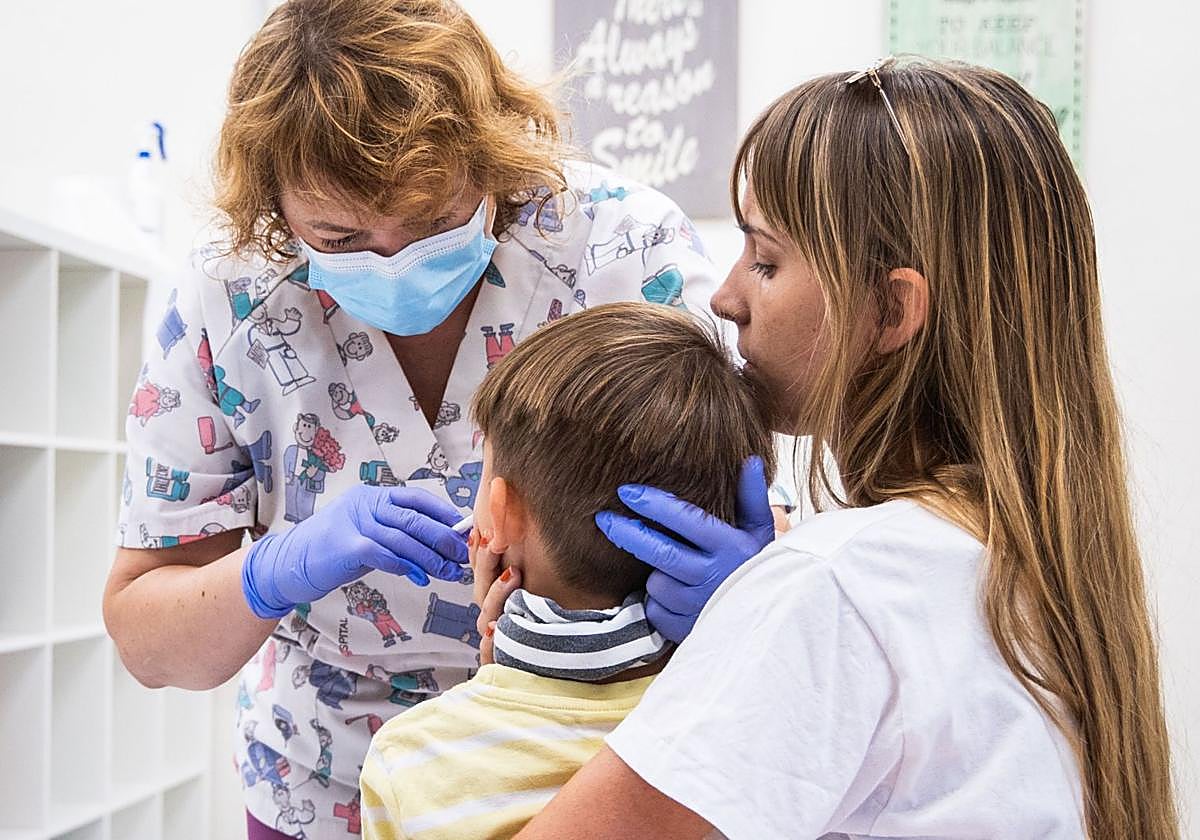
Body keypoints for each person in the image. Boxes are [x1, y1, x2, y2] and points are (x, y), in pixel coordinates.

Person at [485, 59, 1178, 838]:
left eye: (767, 260)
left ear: (890, 307)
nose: (726, 297)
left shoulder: (836, 585)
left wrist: (508, 692)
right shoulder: (1030, 564)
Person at [100, 1, 723, 836]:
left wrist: (735, 595)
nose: (395, 263)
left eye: (433, 221)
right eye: (341, 234)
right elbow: (148, 640)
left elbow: (746, 510)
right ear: (277, 211)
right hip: (327, 779)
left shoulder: (621, 249)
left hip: (593, 769)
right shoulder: (230, 296)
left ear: (491, 156)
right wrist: (273, 571)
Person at [356, 302, 776, 840]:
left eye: (483, 474)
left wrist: (501, 677)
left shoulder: (411, 758)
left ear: (499, 516)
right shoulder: (745, 726)